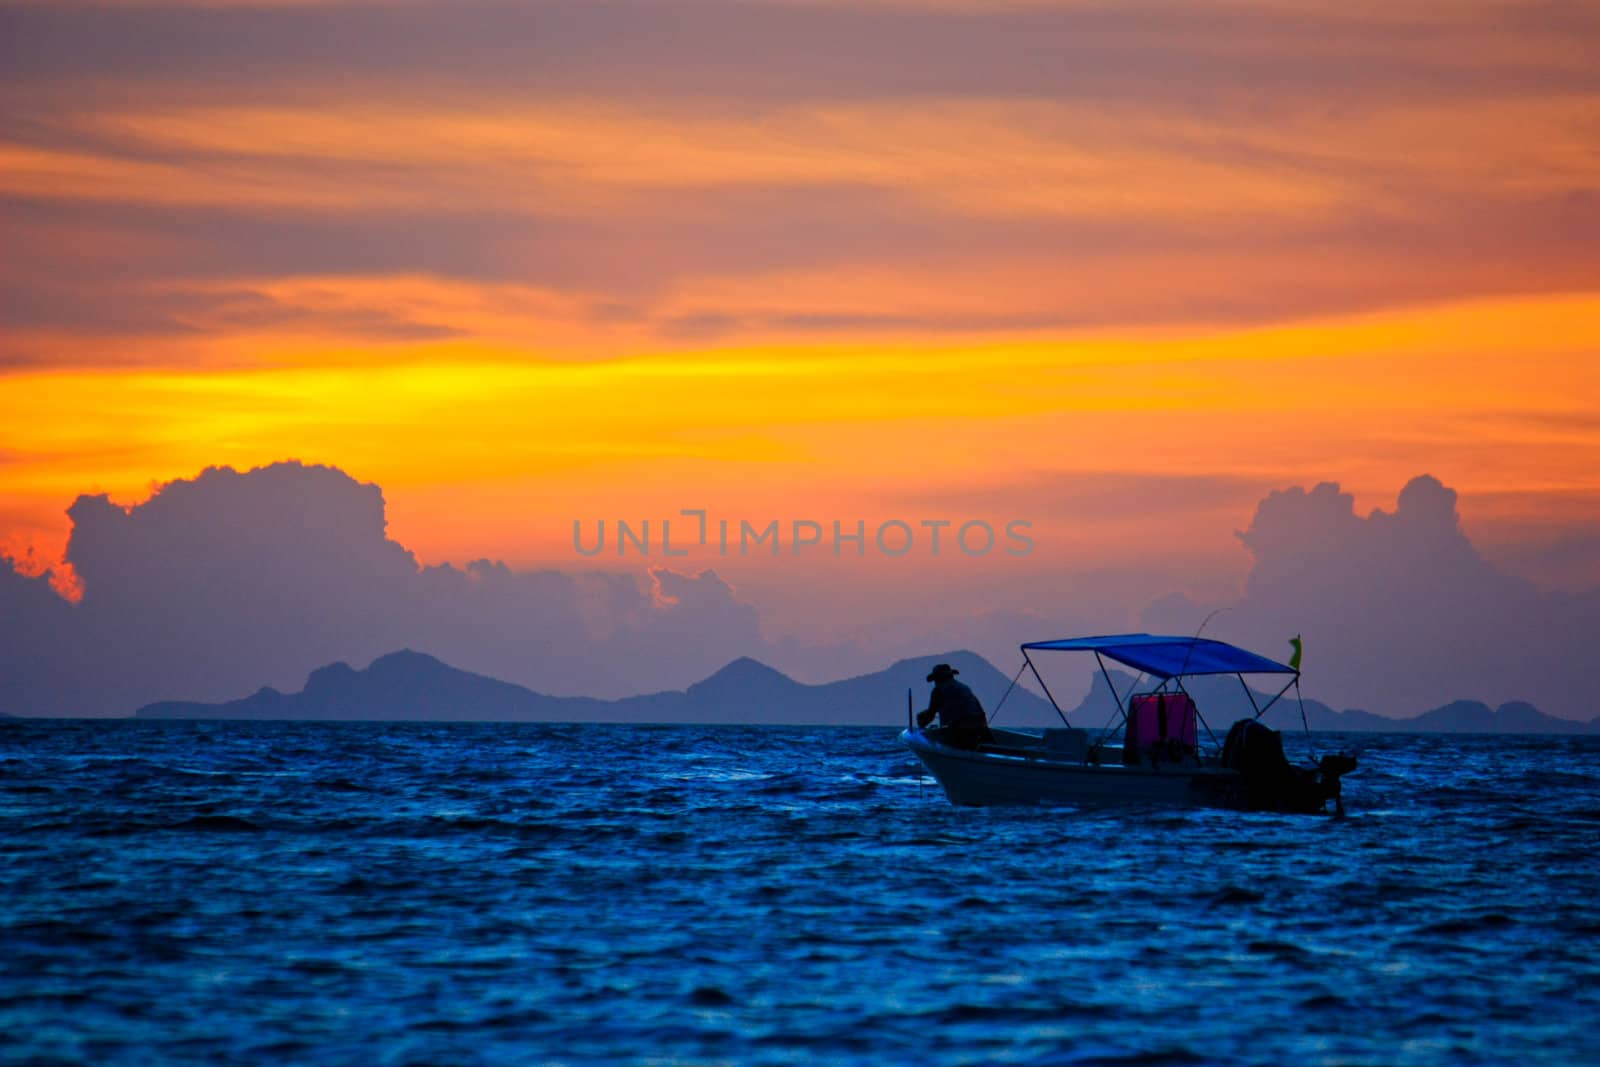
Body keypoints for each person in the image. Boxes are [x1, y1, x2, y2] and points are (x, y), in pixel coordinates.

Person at [916, 663, 993, 750]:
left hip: (960, 732)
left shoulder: (938, 691)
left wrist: (920, 724)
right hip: (980, 729)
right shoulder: (965, 688)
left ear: (937, 679)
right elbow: (979, 710)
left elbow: (930, 715)